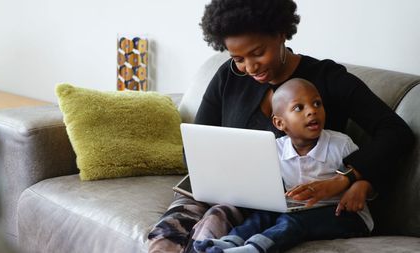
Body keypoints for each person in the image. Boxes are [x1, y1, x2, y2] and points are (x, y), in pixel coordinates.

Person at [148, 0, 414, 252]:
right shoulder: (228, 76)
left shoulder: (329, 79)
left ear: (281, 34)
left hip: (281, 204)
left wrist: (351, 178)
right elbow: (196, 148)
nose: (249, 67)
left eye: (257, 53)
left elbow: (395, 132)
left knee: (211, 231)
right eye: (238, 58)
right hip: (223, 189)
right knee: (165, 235)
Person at [193, 78, 374, 253]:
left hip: (346, 215)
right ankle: (229, 242)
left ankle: (256, 248)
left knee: (293, 221)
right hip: (295, 209)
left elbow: (369, 172)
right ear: (280, 123)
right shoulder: (275, 149)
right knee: (262, 216)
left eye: (317, 104)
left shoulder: (341, 144)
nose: (312, 111)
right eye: (299, 107)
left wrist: (360, 185)